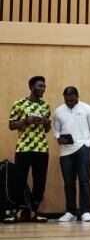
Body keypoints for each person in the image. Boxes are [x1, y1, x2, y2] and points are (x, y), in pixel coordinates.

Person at [5, 76, 52, 223]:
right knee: (19, 180)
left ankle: (34, 211)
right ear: (32, 87)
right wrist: (26, 121)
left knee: (40, 182)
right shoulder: (19, 104)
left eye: (44, 86)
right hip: (23, 148)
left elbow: (47, 129)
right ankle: (18, 210)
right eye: (40, 86)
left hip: (41, 149)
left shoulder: (45, 106)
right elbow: (11, 125)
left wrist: (45, 123)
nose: (43, 89)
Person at [53, 87, 90, 222]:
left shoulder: (87, 109)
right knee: (68, 183)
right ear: (64, 98)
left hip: (83, 149)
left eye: (73, 100)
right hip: (66, 152)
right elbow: (56, 130)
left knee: (84, 181)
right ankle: (71, 211)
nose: (70, 103)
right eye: (67, 101)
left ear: (77, 96)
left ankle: (85, 211)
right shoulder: (58, 111)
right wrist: (58, 138)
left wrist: (88, 144)